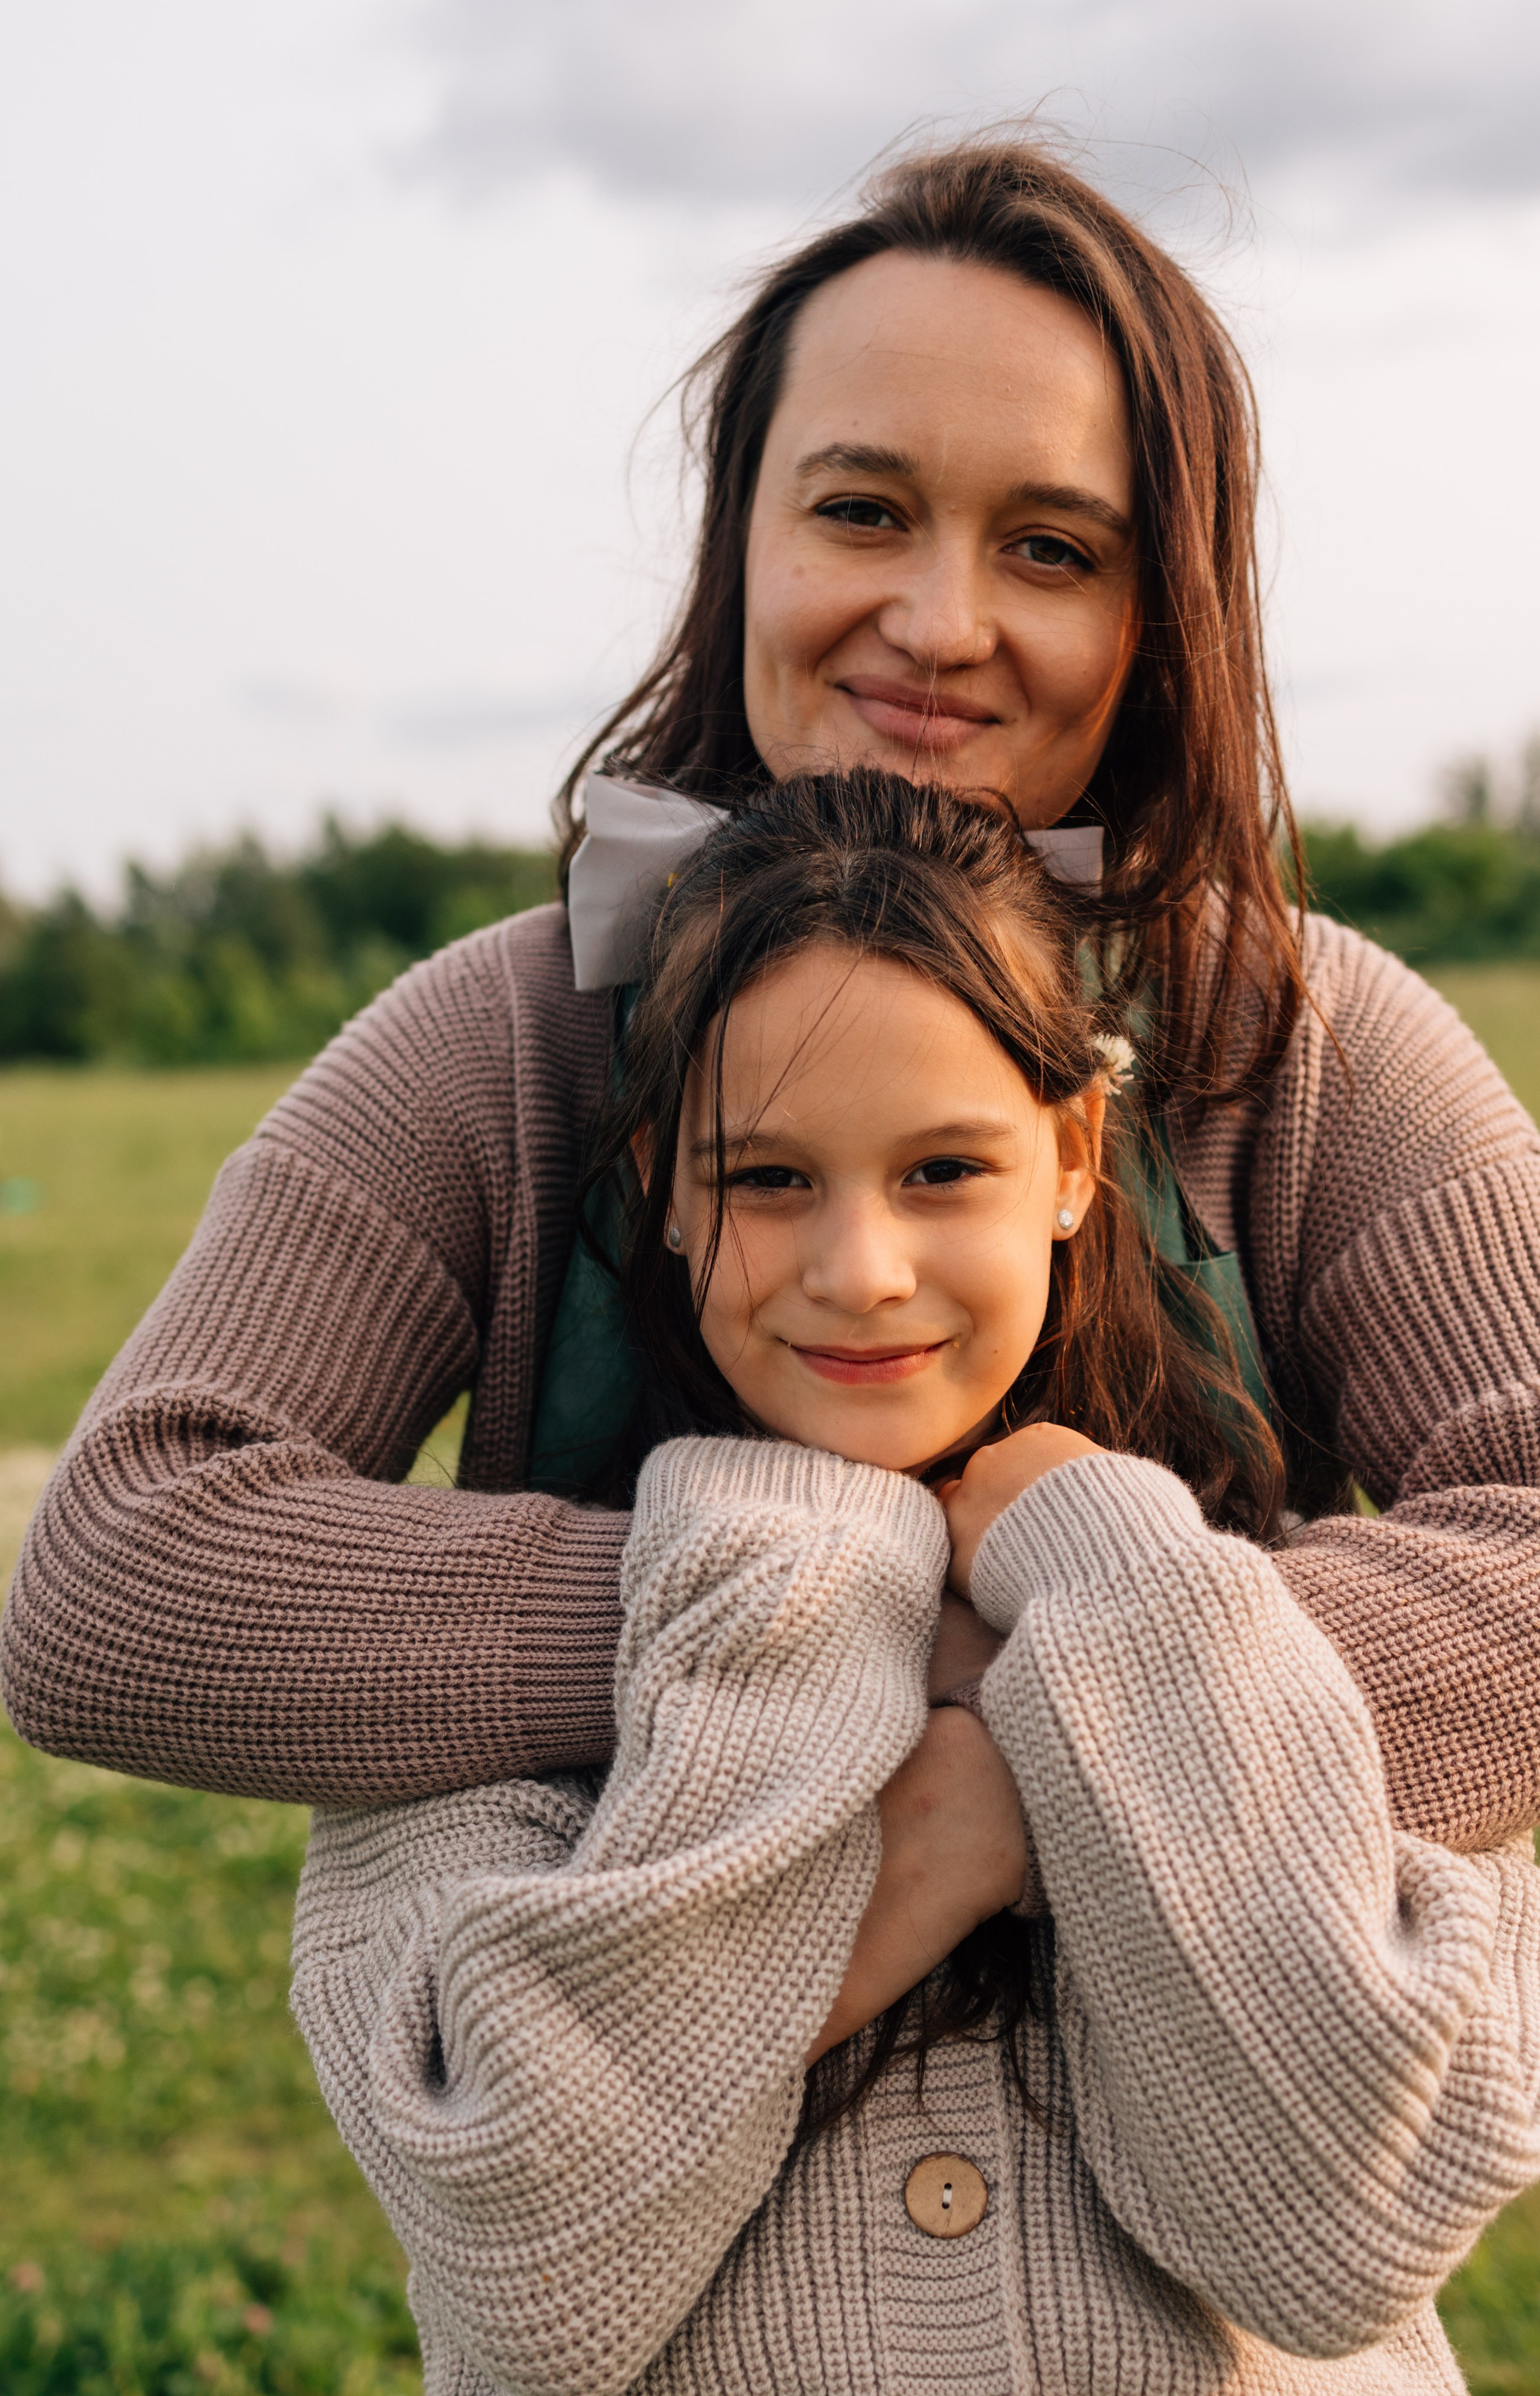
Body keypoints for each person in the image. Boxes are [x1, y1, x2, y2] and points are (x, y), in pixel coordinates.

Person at [4, 137, 1539, 1899]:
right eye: (862, 511)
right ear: (742, 535)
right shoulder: (511, 1031)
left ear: (1157, 612)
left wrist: (1035, 1770)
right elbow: (119, 1583)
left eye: (1049, 548)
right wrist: (808, 1613)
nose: (940, 623)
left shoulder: (1313, 1040)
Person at [293, 775, 1540, 2396]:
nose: (862, 1267)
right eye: (768, 1179)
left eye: (946, 1167)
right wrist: (805, 1580)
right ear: (664, 1182)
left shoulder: (1292, 1646)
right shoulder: (472, 1716)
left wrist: (1110, 1571)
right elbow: (535, 2263)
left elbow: (1333, 2226)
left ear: (1073, 1154)